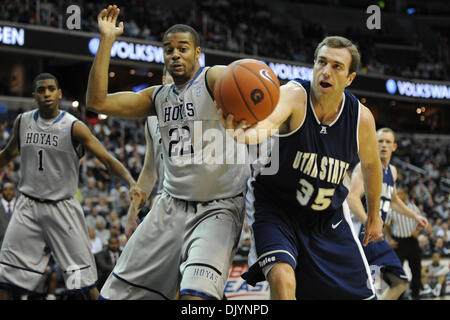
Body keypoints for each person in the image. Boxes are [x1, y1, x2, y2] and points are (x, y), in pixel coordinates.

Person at [86, 5, 249, 300]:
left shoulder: (212, 80)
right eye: (168, 49)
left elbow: (237, 77)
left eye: (183, 48)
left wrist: (247, 89)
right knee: (113, 296)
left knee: (194, 298)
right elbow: (97, 102)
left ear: (197, 52)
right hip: (170, 206)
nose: (175, 54)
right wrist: (107, 40)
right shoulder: (157, 98)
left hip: (217, 209)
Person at [223, 36, 384, 299]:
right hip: (277, 209)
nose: (326, 71)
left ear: (350, 78)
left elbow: (371, 166)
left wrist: (374, 215)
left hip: (326, 219)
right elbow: (266, 125)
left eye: (336, 66)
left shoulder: (360, 118)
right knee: (282, 277)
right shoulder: (294, 95)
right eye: (321, 62)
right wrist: (244, 134)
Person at [0, 73, 145, 300]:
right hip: (27, 206)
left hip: (62, 208)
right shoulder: (23, 121)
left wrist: (131, 181)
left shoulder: (73, 127)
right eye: (41, 90)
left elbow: (106, 159)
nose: (46, 93)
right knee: (5, 281)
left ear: (59, 93)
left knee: (85, 285)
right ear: (34, 95)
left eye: (50, 89)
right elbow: (8, 153)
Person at [347, 127, 428, 299]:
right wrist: (369, 223)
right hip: (361, 233)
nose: (383, 145)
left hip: (376, 236)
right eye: (380, 141)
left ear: (394, 146)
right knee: (362, 288)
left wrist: (415, 216)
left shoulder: (392, 171)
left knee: (400, 282)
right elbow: (352, 198)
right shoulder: (366, 166)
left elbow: (393, 200)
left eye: (388, 142)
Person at [124, 66, 173, 239]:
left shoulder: (201, 111)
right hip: (165, 203)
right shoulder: (152, 118)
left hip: (196, 202)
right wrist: (132, 213)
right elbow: (149, 171)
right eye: (172, 76)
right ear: (164, 80)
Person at [385, 187, 428, 299]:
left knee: (416, 270)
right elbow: (386, 227)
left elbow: (422, 222)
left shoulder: (413, 207)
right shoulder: (392, 209)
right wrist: (389, 240)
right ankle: (400, 295)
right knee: (397, 271)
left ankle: (415, 294)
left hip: (412, 241)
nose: (399, 196)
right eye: (398, 194)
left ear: (406, 196)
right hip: (399, 243)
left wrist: (417, 231)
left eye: (401, 194)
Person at [0, 182, 16, 249]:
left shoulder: (20, 207)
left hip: (19, 248)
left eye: (11, 189)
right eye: (6, 189)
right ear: (2, 192)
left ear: (14, 191)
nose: (8, 192)